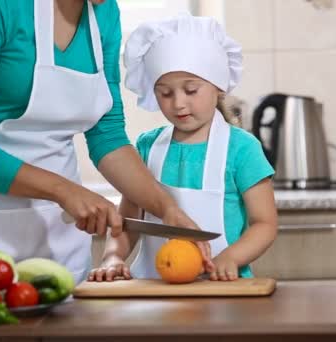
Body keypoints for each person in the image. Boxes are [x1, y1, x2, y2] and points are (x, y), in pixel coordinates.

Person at [0, 0, 211, 284]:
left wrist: (166, 209)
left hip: (59, 232)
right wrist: (63, 190)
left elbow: (107, 135)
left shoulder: (104, 13)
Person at [88, 14, 278, 282]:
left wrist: (231, 258)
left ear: (218, 88)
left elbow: (265, 224)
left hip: (223, 289)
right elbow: (129, 222)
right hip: (155, 293)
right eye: (165, 93)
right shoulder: (146, 147)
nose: (178, 104)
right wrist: (113, 256)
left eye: (191, 90)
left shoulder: (242, 149)